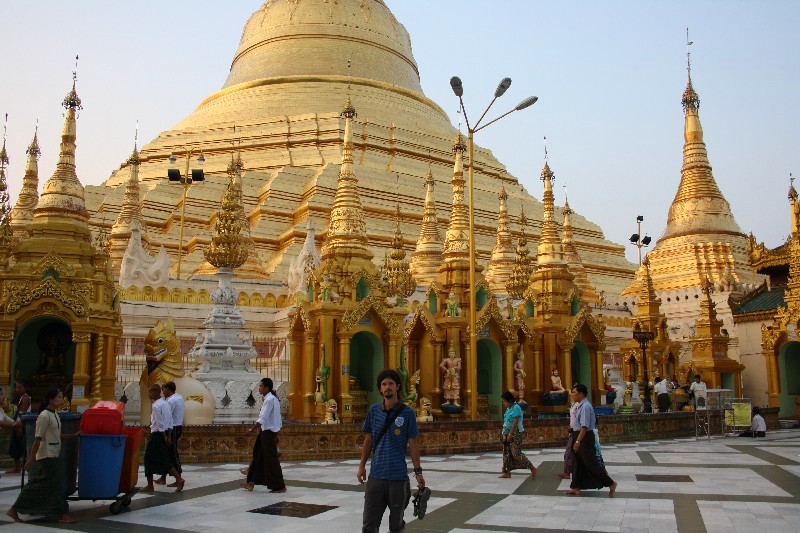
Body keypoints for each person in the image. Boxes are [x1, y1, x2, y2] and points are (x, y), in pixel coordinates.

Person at [357, 369, 426, 533]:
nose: (387, 387)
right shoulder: (374, 411)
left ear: (397, 387)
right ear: (380, 389)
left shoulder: (408, 413)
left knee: (396, 525)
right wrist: (361, 466)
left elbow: (413, 443)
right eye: (384, 384)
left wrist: (418, 471)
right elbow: (368, 439)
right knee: (369, 524)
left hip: (398, 477)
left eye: (390, 384)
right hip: (376, 476)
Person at [6, 388, 77, 524]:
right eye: (58, 397)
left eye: (62, 397)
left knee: (41, 483)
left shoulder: (54, 414)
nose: (61, 400)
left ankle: (15, 509)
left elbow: (57, 435)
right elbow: (37, 439)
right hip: (46, 455)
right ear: (50, 399)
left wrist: (73, 435)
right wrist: (31, 459)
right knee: (54, 483)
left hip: (53, 453)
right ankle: (61, 514)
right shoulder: (44, 416)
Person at [565, 384, 617, 497]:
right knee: (577, 462)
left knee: (590, 462)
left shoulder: (586, 407)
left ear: (580, 393)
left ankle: (611, 483)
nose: (572, 394)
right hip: (577, 435)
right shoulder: (579, 405)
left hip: (584, 437)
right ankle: (575, 486)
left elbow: (585, 426)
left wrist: (578, 442)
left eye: (574, 392)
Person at [241, 377, 286, 493]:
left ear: (267, 387)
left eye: (261, 386)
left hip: (268, 433)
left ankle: (279, 485)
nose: (259, 388)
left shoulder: (269, 400)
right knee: (258, 456)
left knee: (271, 459)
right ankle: (250, 483)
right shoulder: (272, 399)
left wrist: (251, 430)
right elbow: (276, 419)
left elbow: (263, 418)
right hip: (267, 432)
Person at [142, 384, 184, 492]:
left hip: (158, 435)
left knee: (148, 458)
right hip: (166, 433)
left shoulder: (156, 406)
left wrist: (164, 436)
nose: (149, 394)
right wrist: (169, 435)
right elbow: (170, 420)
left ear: (156, 393)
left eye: (150, 392)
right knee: (163, 458)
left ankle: (151, 485)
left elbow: (160, 423)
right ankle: (175, 478)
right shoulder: (165, 403)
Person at [499, 391, 536, 479]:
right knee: (506, 452)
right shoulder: (508, 408)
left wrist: (510, 434)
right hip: (506, 433)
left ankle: (531, 467)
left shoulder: (516, 408)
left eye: (504, 401)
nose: (503, 403)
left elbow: (515, 421)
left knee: (516, 453)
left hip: (515, 433)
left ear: (509, 400)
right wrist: (505, 433)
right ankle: (507, 472)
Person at [156, 381, 184, 487]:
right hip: (177, 427)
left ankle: (179, 477)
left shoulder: (171, 401)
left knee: (172, 452)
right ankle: (163, 477)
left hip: (172, 428)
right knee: (167, 452)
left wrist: (166, 433)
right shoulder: (179, 398)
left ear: (168, 389)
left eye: (163, 389)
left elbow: (167, 417)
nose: (162, 391)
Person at [6, 381, 30, 474]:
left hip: (21, 426)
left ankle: (25, 466)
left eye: (20, 387)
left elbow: (23, 414)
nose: (17, 389)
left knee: (22, 447)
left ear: (24, 388)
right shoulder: (21, 398)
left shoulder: (26, 398)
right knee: (15, 447)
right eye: (16, 387)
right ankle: (17, 467)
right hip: (17, 424)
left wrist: (19, 425)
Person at [559, 397, 581, 480]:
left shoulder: (581, 406)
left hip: (578, 431)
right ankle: (567, 472)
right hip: (573, 430)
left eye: (574, 392)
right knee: (569, 453)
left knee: (579, 454)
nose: (572, 395)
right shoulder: (573, 404)